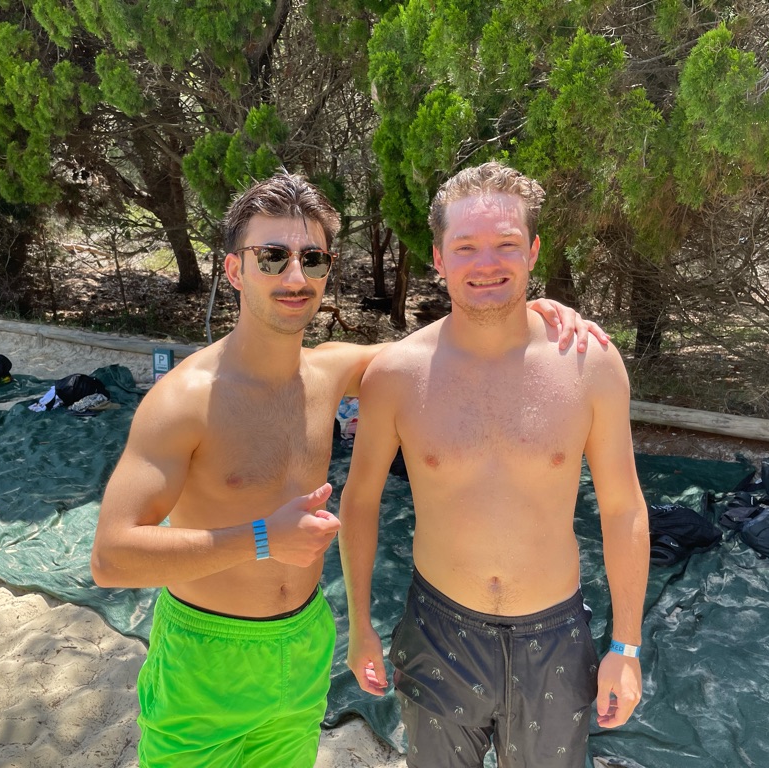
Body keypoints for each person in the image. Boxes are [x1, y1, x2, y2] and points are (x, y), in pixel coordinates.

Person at [90, 173, 608, 767]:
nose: (295, 276)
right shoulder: (184, 401)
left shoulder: (333, 370)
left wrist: (522, 307)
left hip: (304, 645)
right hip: (206, 653)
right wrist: (261, 538)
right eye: (272, 257)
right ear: (234, 270)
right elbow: (111, 557)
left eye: (312, 259)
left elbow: (452, 344)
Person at [339, 161, 649, 768]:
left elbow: (623, 508)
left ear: (532, 251)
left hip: (555, 637)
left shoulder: (588, 364)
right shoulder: (397, 374)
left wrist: (627, 647)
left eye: (506, 244)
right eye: (466, 247)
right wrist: (359, 625)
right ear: (438, 258)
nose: (487, 263)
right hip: (437, 632)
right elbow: (359, 501)